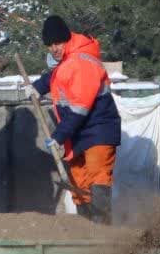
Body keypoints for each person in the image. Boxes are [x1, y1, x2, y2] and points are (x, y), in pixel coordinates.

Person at [28, 15, 121, 223]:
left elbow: (79, 108)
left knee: (98, 180)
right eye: (50, 44)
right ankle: (85, 232)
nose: (54, 48)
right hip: (79, 133)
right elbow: (56, 76)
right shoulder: (68, 60)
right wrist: (37, 87)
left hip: (98, 129)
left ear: (67, 38)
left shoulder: (81, 61)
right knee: (79, 186)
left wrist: (59, 136)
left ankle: (101, 234)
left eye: (57, 42)